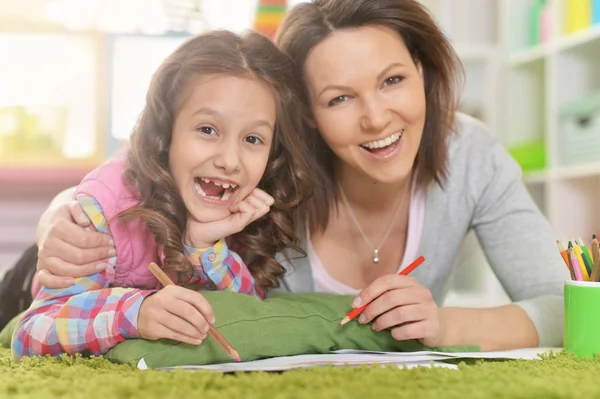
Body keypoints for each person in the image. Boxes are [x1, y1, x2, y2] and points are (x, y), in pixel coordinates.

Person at [31, 0, 568, 351]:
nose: (377, 118)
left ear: (423, 74)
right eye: (339, 98)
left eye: (393, 80)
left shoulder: (472, 154)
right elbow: (137, 177)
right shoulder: (265, 162)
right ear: (304, 113)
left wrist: (446, 327)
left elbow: (569, 306)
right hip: (73, 291)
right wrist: (59, 217)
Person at [11, 29, 314, 359]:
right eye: (207, 130)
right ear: (166, 132)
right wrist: (136, 313)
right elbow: (31, 333)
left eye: (253, 139)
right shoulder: (105, 211)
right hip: (24, 284)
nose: (230, 161)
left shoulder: (248, 206)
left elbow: (248, 310)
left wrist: (203, 246)